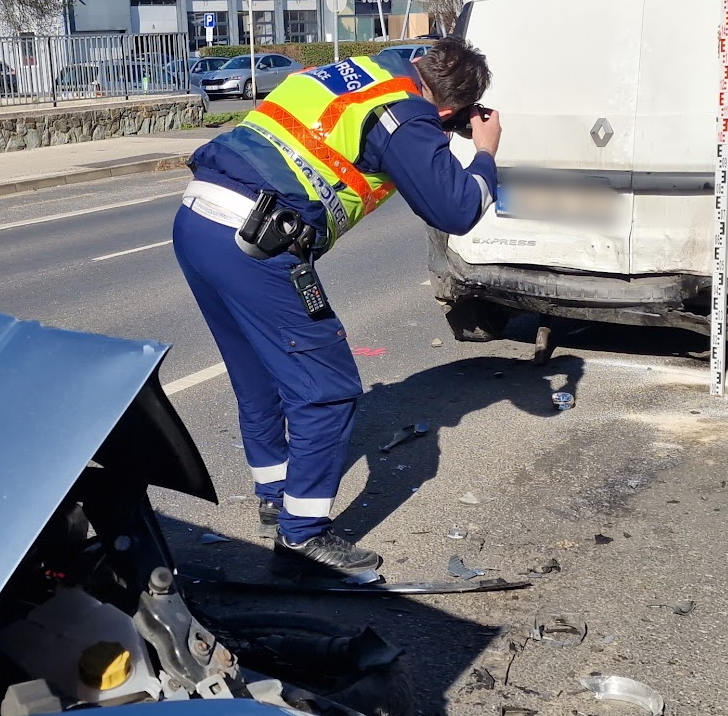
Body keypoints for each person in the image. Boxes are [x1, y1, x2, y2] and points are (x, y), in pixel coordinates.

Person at [172, 38, 501, 579]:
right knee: (327, 389)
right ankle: (302, 536)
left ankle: (275, 497)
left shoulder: (361, 73)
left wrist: (440, 127)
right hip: (257, 243)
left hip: (198, 221)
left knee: (259, 377)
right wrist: (485, 149)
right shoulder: (406, 118)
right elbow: (457, 208)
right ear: (450, 110)